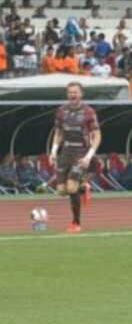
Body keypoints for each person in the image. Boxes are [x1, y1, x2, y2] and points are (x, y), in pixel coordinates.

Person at [49, 82, 101, 233]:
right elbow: (58, 133)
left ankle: (76, 222)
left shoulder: (89, 111)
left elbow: (97, 136)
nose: (73, 95)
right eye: (70, 92)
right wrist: (53, 152)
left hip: (81, 152)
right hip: (65, 152)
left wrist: (88, 157)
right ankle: (83, 188)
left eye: (75, 92)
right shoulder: (61, 111)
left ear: (81, 94)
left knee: (72, 186)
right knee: (61, 191)